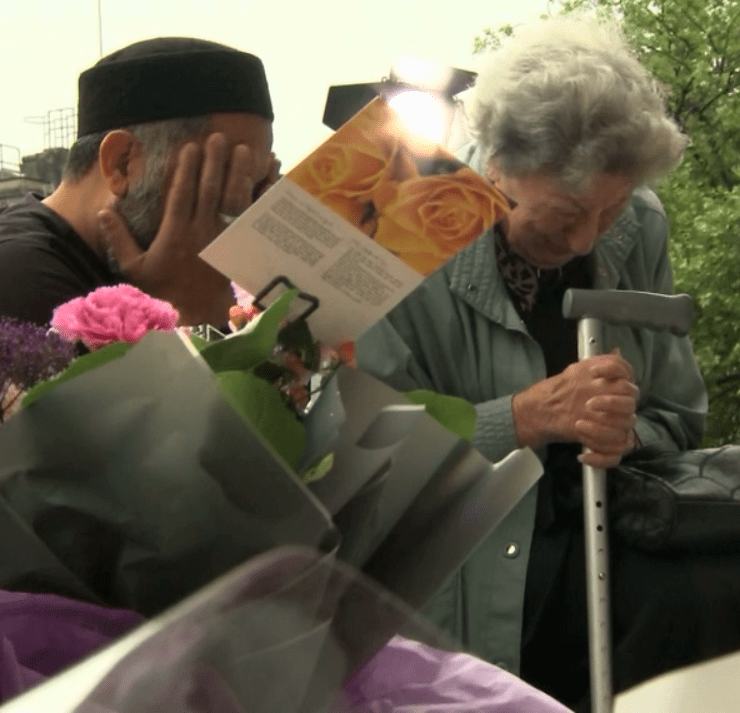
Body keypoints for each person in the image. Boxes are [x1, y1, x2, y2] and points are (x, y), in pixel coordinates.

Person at [357, 17, 740, 711]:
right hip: (470, 577)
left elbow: (679, 416)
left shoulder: (641, 222)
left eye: (611, 207)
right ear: (496, 166)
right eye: (565, 213)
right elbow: (366, 458)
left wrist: (625, 433)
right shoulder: (397, 220)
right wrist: (525, 417)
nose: (588, 236)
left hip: (613, 535)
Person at [0, 37, 279, 328]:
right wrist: (190, 312)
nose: (243, 206)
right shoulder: (20, 279)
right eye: (225, 176)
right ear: (120, 163)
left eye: (255, 184)